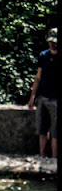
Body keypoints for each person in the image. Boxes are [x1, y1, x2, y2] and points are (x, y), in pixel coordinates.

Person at [28, 27, 58, 158]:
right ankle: (42, 155)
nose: (52, 44)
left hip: (56, 99)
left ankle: (54, 158)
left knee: (55, 132)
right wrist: (32, 97)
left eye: (55, 41)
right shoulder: (43, 55)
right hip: (42, 97)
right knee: (42, 129)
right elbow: (38, 77)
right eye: (51, 41)